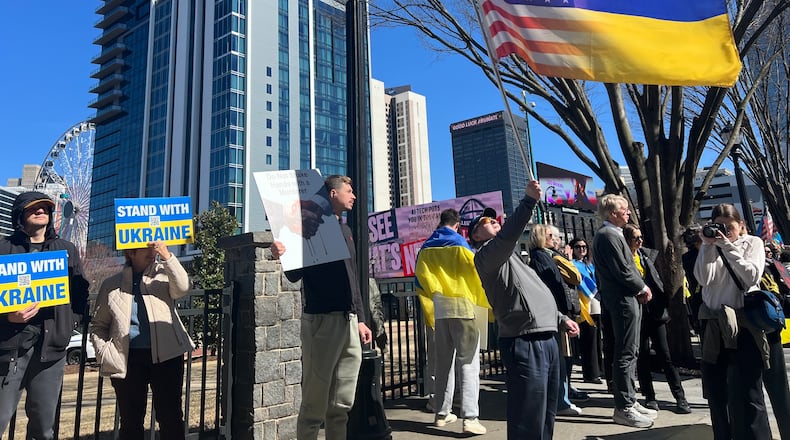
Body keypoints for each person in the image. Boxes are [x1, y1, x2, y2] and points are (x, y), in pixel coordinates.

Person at [470, 181, 580, 439]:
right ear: (475, 235)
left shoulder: (513, 258)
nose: (493, 220)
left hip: (547, 337)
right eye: (486, 221)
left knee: (546, 414)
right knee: (527, 417)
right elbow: (509, 234)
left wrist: (561, 318)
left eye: (495, 218)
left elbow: (536, 293)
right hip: (524, 340)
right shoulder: (486, 256)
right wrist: (528, 201)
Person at [270, 175, 373, 440]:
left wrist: (361, 318)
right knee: (315, 404)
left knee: (342, 403)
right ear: (332, 194)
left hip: (348, 320)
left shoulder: (346, 230)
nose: (354, 196)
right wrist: (280, 252)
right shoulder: (306, 227)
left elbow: (352, 279)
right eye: (348, 191)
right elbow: (294, 275)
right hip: (321, 320)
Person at [0, 191, 90, 439]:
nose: (41, 211)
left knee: (43, 425)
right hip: (10, 348)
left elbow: (80, 294)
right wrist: (8, 318)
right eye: (34, 208)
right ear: (19, 214)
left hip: (51, 348)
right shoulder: (3, 249)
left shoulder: (67, 249)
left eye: (46, 208)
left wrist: (70, 323)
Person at [90, 241, 194, 439]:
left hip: (167, 356)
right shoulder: (111, 284)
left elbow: (183, 288)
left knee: (170, 417)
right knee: (130, 421)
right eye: (147, 246)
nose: (153, 249)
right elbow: (98, 325)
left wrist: (168, 256)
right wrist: (105, 352)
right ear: (131, 251)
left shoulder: (163, 275)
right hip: (128, 359)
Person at [694, 203, 771, 440]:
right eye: (719, 226)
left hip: (744, 323)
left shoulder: (753, 243)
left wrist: (727, 246)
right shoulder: (710, 246)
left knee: (750, 391)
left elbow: (750, 276)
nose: (724, 231)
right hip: (714, 323)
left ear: (742, 225)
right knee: (717, 392)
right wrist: (708, 247)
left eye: (730, 226)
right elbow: (704, 278)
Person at [415, 208, 489, 435]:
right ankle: (470, 417)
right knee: (468, 362)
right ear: (457, 225)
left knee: (443, 363)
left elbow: (421, 280)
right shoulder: (461, 245)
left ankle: (441, 413)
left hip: (440, 310)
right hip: (464, 307)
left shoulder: (426, 247)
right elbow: (476, 275)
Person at [591, 194, 657, 428]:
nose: (628, 213)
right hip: (622, 298)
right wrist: (642, 286)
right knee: (626, 351)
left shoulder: (613, 234)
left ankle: (630, 399)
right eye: (624, 209)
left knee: (632, 349)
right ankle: (624, 406)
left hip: (627, 297)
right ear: (612, 213)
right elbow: (623, 269)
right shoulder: (608, 235)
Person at [623, 225, 691, 414]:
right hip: (637, 313)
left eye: (641, 237)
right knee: (642, 356)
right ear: (627, 240)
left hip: (655, 312)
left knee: (665, 355)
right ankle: (650, 397)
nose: (640, 241)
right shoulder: (624, 259)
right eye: (635, 238)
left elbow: (658, 281)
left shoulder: (646, 257)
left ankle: (680, 397)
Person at [528, 224, 583, 416]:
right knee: (561, 361)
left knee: (565, 359)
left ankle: (562, 398)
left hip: (561, 312)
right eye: (551, 236)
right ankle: (561, 401)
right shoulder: (542, 257)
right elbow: (564, 281)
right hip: (557, 314)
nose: (556, 239)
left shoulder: (548, 255)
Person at [569, 237, 604, 386]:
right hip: (584, 302)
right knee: (588, 338)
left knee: (597, 338)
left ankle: (600, 368)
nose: (582, 249)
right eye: (578, 247)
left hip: (596, 301)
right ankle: (591, 373)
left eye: (584, 247)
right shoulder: (572, 264)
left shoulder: (590, 264)